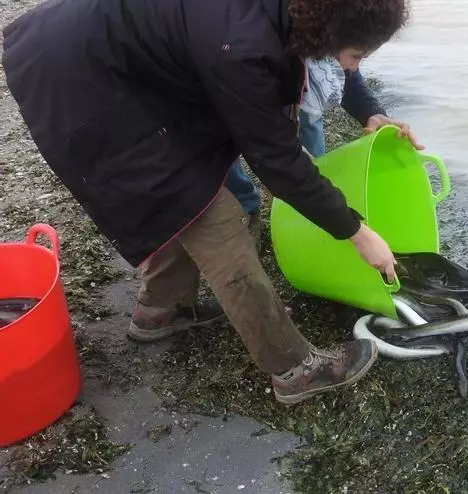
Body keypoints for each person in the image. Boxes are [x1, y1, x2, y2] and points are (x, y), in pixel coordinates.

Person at [2, 0, 412, 405]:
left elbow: (276, 123)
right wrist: (357, 231)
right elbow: (276, 163)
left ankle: (160, 310)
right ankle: (293, 368)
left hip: (118, 60)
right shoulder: (245, 42)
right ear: (330, 30)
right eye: (356, 54)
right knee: (212, 213)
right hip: (77, 76)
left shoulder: (297, 13)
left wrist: (366, 111)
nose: (355, 67)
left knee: (184, 191)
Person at [227, 67, 423, 244]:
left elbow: (345, 64)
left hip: (296, 63)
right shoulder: (257, 53)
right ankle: (245, 208)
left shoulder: (331, 50)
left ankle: (318, 213)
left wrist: (370, 111)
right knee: (231, 140)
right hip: (235, 87)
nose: (355, 66)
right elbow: (262, 132)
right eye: (357, 55)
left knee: (310, 128)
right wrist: (287, 153)